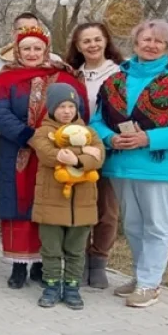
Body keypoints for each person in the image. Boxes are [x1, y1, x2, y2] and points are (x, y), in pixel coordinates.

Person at [90, 19, 168, 308]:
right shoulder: (116, 79)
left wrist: (148, 139)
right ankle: (141, 276)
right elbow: (96, 121)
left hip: (158, 167)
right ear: (136, 42)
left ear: (167, 47)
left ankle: (150, 283)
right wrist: (108, 139)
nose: (152, 45)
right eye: (147, 40)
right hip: (120, 164)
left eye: (159, 42)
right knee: (132, 225)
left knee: (155, 226)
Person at [0, 25, 86, 290]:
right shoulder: (6, 78)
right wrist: (28, 136)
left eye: (37, 48)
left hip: (55, 153)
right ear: (17, 51)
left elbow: (79, 109)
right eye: (26, 48)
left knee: (46, 207)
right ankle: (18, 265)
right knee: (18, 207)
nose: (31, 53)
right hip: (17, 151)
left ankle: (43, 265)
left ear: (46, 50)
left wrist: (56, 139)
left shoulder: (63, 76)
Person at [30, 83, 105, 309]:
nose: (66, 111)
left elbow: (99, 157)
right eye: (61, 106)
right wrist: (82, 154)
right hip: (51, 202)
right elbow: (50, 154)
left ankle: (72, 288)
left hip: (81, 204)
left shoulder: (89, 132)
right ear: (52, 108)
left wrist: (80, 159)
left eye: (71, 106)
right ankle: (51, 286)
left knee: (76, 250)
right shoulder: (44, 132)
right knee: (51, 249)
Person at [65, 21, 124, 289]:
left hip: (108, 147)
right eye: (86, 41)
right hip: (75, 149)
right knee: (79, 206)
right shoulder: (72, 74)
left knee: (107, 208)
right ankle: (78, 260)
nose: (92, 45)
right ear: (78, 46)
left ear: (106, 41)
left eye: (97, 39)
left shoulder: (120, 73)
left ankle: (99, 259)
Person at [0, 12, 64, 73]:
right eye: (22, 29)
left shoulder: (55, 60)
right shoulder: (0, 65)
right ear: (13, 33)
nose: (28, 32)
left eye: (33, 29)